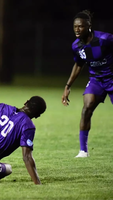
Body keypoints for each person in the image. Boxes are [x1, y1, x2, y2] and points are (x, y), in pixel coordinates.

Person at [61, 10, 113, 158]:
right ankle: (83, 151)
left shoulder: (105, 39)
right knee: (86, 108)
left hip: (111, 78)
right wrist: (68, 86)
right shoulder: (76, 46)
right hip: (96, 80)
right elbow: (78, 65)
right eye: (75, 26)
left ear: (89, 26)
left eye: (81, 26)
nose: (77, 29)